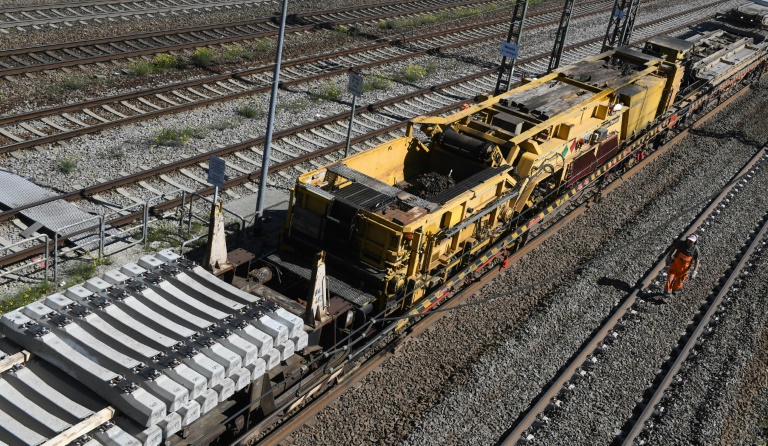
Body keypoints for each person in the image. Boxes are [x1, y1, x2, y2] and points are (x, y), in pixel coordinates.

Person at [663, 234, 700, 299]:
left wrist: (695, 271)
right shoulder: (681, 244)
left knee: (679, 282)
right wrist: (669, 256)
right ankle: (667, 294)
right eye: (689, 240)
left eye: (691, 241)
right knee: (670, 278)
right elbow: (673, 247)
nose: (689, 242)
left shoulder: (695, 250)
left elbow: (697, 260)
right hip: (675, 266)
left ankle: (675, 292)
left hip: (684, 270)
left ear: (695, 242)